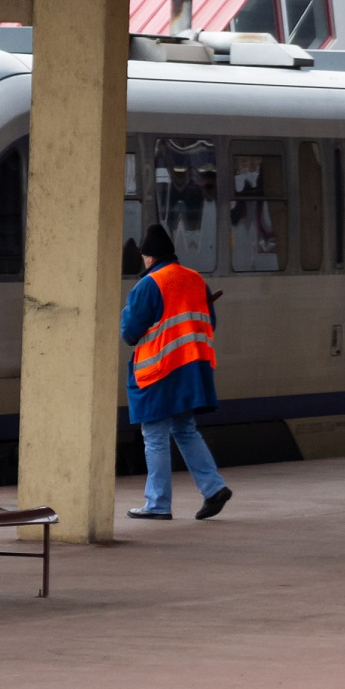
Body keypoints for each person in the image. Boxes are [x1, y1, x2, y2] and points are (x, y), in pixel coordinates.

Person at [121, 223, 232, 521]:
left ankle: (157, 503)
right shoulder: (196, 280)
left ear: (149, 257)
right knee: (185, 429)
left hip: (159, 370)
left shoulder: (149, 284)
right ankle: (213, 488)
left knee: (154, 437)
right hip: (192, 368)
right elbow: (210, 322)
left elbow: (129, 332)